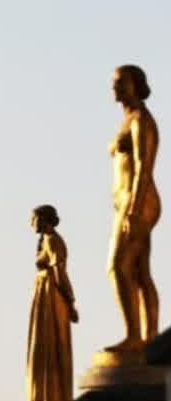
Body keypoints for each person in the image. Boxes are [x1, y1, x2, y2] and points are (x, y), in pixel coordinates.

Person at [107, 64, 161, 352]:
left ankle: (134, 336)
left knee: (118, 267)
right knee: (139, 270)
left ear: (136, 85)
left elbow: (144, 166)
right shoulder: (127, 120)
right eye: (114, 83)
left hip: (138, 201)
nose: (115, 88)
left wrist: (134, 208)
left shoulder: (141, 119)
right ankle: (148, 338)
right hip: (127, 202)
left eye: (121, 82)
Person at [25, 204, 78, 401]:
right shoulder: (46, 241)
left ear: (44, 220)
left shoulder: (53, 241)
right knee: (45, 347)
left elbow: (59, 272)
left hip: (52, 295)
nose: (31, 223)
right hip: (45, 294)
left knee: (54, 345)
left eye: (34, 218)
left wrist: (71, 301)